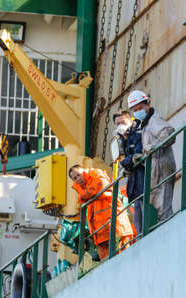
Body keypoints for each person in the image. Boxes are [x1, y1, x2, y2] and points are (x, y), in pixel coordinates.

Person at [127, 90, 176, 222]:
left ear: (148, 104)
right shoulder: (145, 124)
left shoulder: (154, 119)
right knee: (157, 204)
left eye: (140, 108)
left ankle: (168, 228)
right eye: (135, 109)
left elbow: (168, 133)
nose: (138, 111)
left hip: (162, 165)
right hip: (155, 167)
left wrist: (154, 147)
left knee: (163, 204)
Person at [69, 165, 134, 259]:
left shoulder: (96, 174)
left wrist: (85, 195)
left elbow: (101, 185)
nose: (78, 179)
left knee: (124, 257)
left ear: (84, 171)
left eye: (79, 175)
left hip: (116, 229)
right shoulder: (84, 191)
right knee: (108, 263)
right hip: (101, 236)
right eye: (75, 178)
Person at [113, 110, 144, 233]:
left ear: (130, 121)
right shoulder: (124, 141)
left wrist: (124, 163)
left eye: (123, 122)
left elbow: (138, 153)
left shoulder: (138, 134)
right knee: (138, 219)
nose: (120, 125)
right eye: (117, 124)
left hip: (143, 179)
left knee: (145, 213)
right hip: (136, 184)